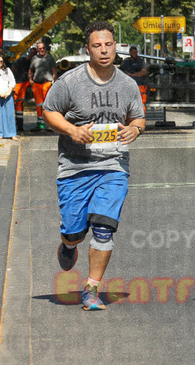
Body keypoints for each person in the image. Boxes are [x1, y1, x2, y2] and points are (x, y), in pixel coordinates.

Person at [43, 21, 145, 311]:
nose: (104, 50)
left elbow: (138, 118)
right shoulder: (70, 82)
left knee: (104, 228)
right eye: (97, 45)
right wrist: (71, 130)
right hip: (75, 167)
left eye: (108, 44)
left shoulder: (127, 84)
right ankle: (69, 243)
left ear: (115, 47)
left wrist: (135, 129)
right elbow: (49, 112)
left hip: (113, 165)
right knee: (74, 230)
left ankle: (91, 289)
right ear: (87, 49)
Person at [30, 41, 57, 130]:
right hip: (37, 84)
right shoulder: (34, 58)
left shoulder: (50, 58)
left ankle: (50, 125)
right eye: (40, 48)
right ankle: (40, 125)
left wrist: (54, 82)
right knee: (38, 105)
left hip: (47, 83)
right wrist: (30, 79)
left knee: (48, 105)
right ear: (37, 49)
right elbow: (31, 70)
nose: (42, 50)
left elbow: (54, 71)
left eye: (43, 48)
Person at [12, 48, 37, 131]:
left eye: (34, 53)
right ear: (29, 53)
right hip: (20, 82)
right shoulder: (22, 60)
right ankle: (19, 124)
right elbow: (13, 68)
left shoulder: (36, 61)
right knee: (18, 102)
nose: (32, 54)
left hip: (29, 82)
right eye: (31, 52)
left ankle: (20, 124)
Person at [120, 46, 148, 113]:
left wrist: (133, 75)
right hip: (128, 86)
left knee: (141, 101)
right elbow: (120, 71)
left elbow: (144, 71)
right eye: (134, 52)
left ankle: (141, 115)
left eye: (136, 52)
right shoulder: (126, 61)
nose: (136, 54)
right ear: (130, 53)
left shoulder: (140, 61)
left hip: (140, 84)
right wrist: (127, 74)